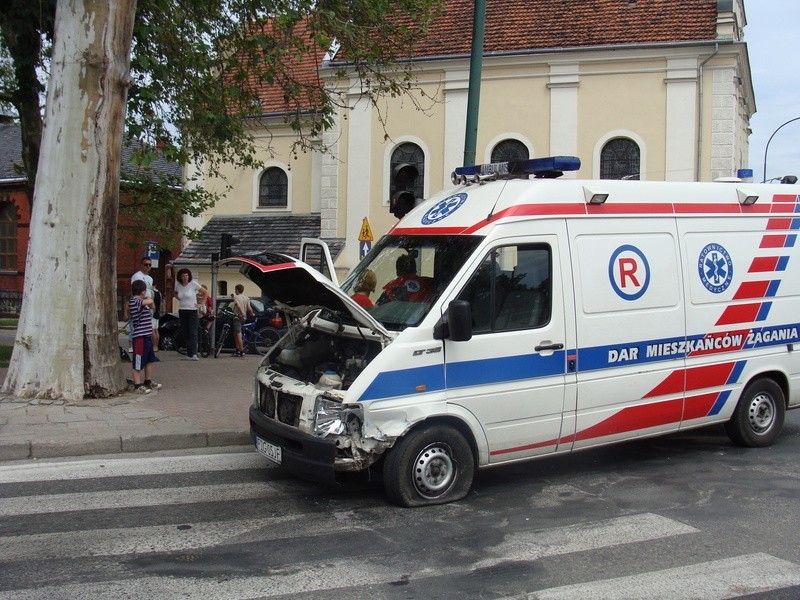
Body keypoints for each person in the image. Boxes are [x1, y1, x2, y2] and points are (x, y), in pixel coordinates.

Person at [129, 279, 161, 393]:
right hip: (140, 337)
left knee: (149, 359)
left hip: (147, 336)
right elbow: (151, 302)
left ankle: (148, 381)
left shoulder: (141, 302)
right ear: (142, 291)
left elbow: (153, 307)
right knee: (138, 361)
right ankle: (137, 385)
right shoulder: (134, 302)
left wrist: (148, 301)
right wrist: (147, 299)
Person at [174, 268, 202, 361]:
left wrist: (200, 304)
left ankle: (194, 353)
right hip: (182, 310)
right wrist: (181, 300)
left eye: (186, 275)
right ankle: (189, 354)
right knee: (186, 332)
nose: (185, 277)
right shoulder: (178, 286)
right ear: (180, 277)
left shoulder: (193, 284)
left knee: (192, 332)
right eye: (183, 276)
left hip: (192, 310)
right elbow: (175, 293)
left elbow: (205, 292)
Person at [131, 257, 159, 349]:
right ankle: (136, 348)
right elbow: (137, 291)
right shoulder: (137, 276)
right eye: (145, 264)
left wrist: (152, 304)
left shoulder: (150, 278)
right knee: (139, 330)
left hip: (148, 305)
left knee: (149, 329)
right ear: (141, 265)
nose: (148, 267)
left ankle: (149, 348)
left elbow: (150, 293)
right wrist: (147, 299)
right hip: (141, 304)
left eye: (150, 265)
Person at [232, 283, 255, 357]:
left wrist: (242, 313)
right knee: (235, 333)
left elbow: (238, 306)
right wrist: (252, 313)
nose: (235, 291)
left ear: (237, 290)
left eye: (235, 289)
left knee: (238, 333)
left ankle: (241, 351)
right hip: (243, 318)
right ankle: (237, 349)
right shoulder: (246, 298)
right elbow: (249, 308)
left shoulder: (236, 297)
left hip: (238, 317)